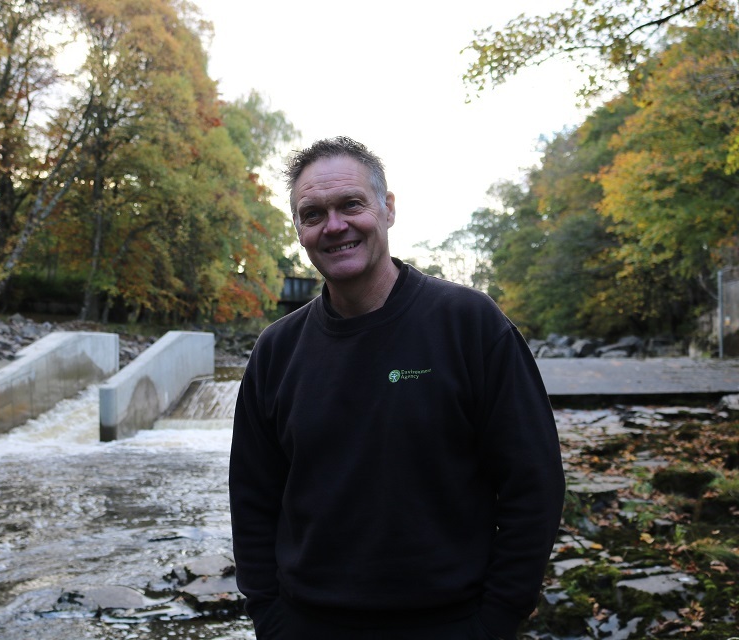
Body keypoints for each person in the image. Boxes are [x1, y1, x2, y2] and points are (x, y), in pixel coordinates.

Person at [229, 137, 565, 640]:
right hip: (307, 625)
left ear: (387, 208)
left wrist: (497, 618)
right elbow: (252, 498)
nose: (334, 226)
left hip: (451, 624)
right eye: (313, 213)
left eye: (351, 204)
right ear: (298, 229)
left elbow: (534, 483)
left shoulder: (469, 324)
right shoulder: (277, 350)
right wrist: (270, 617)